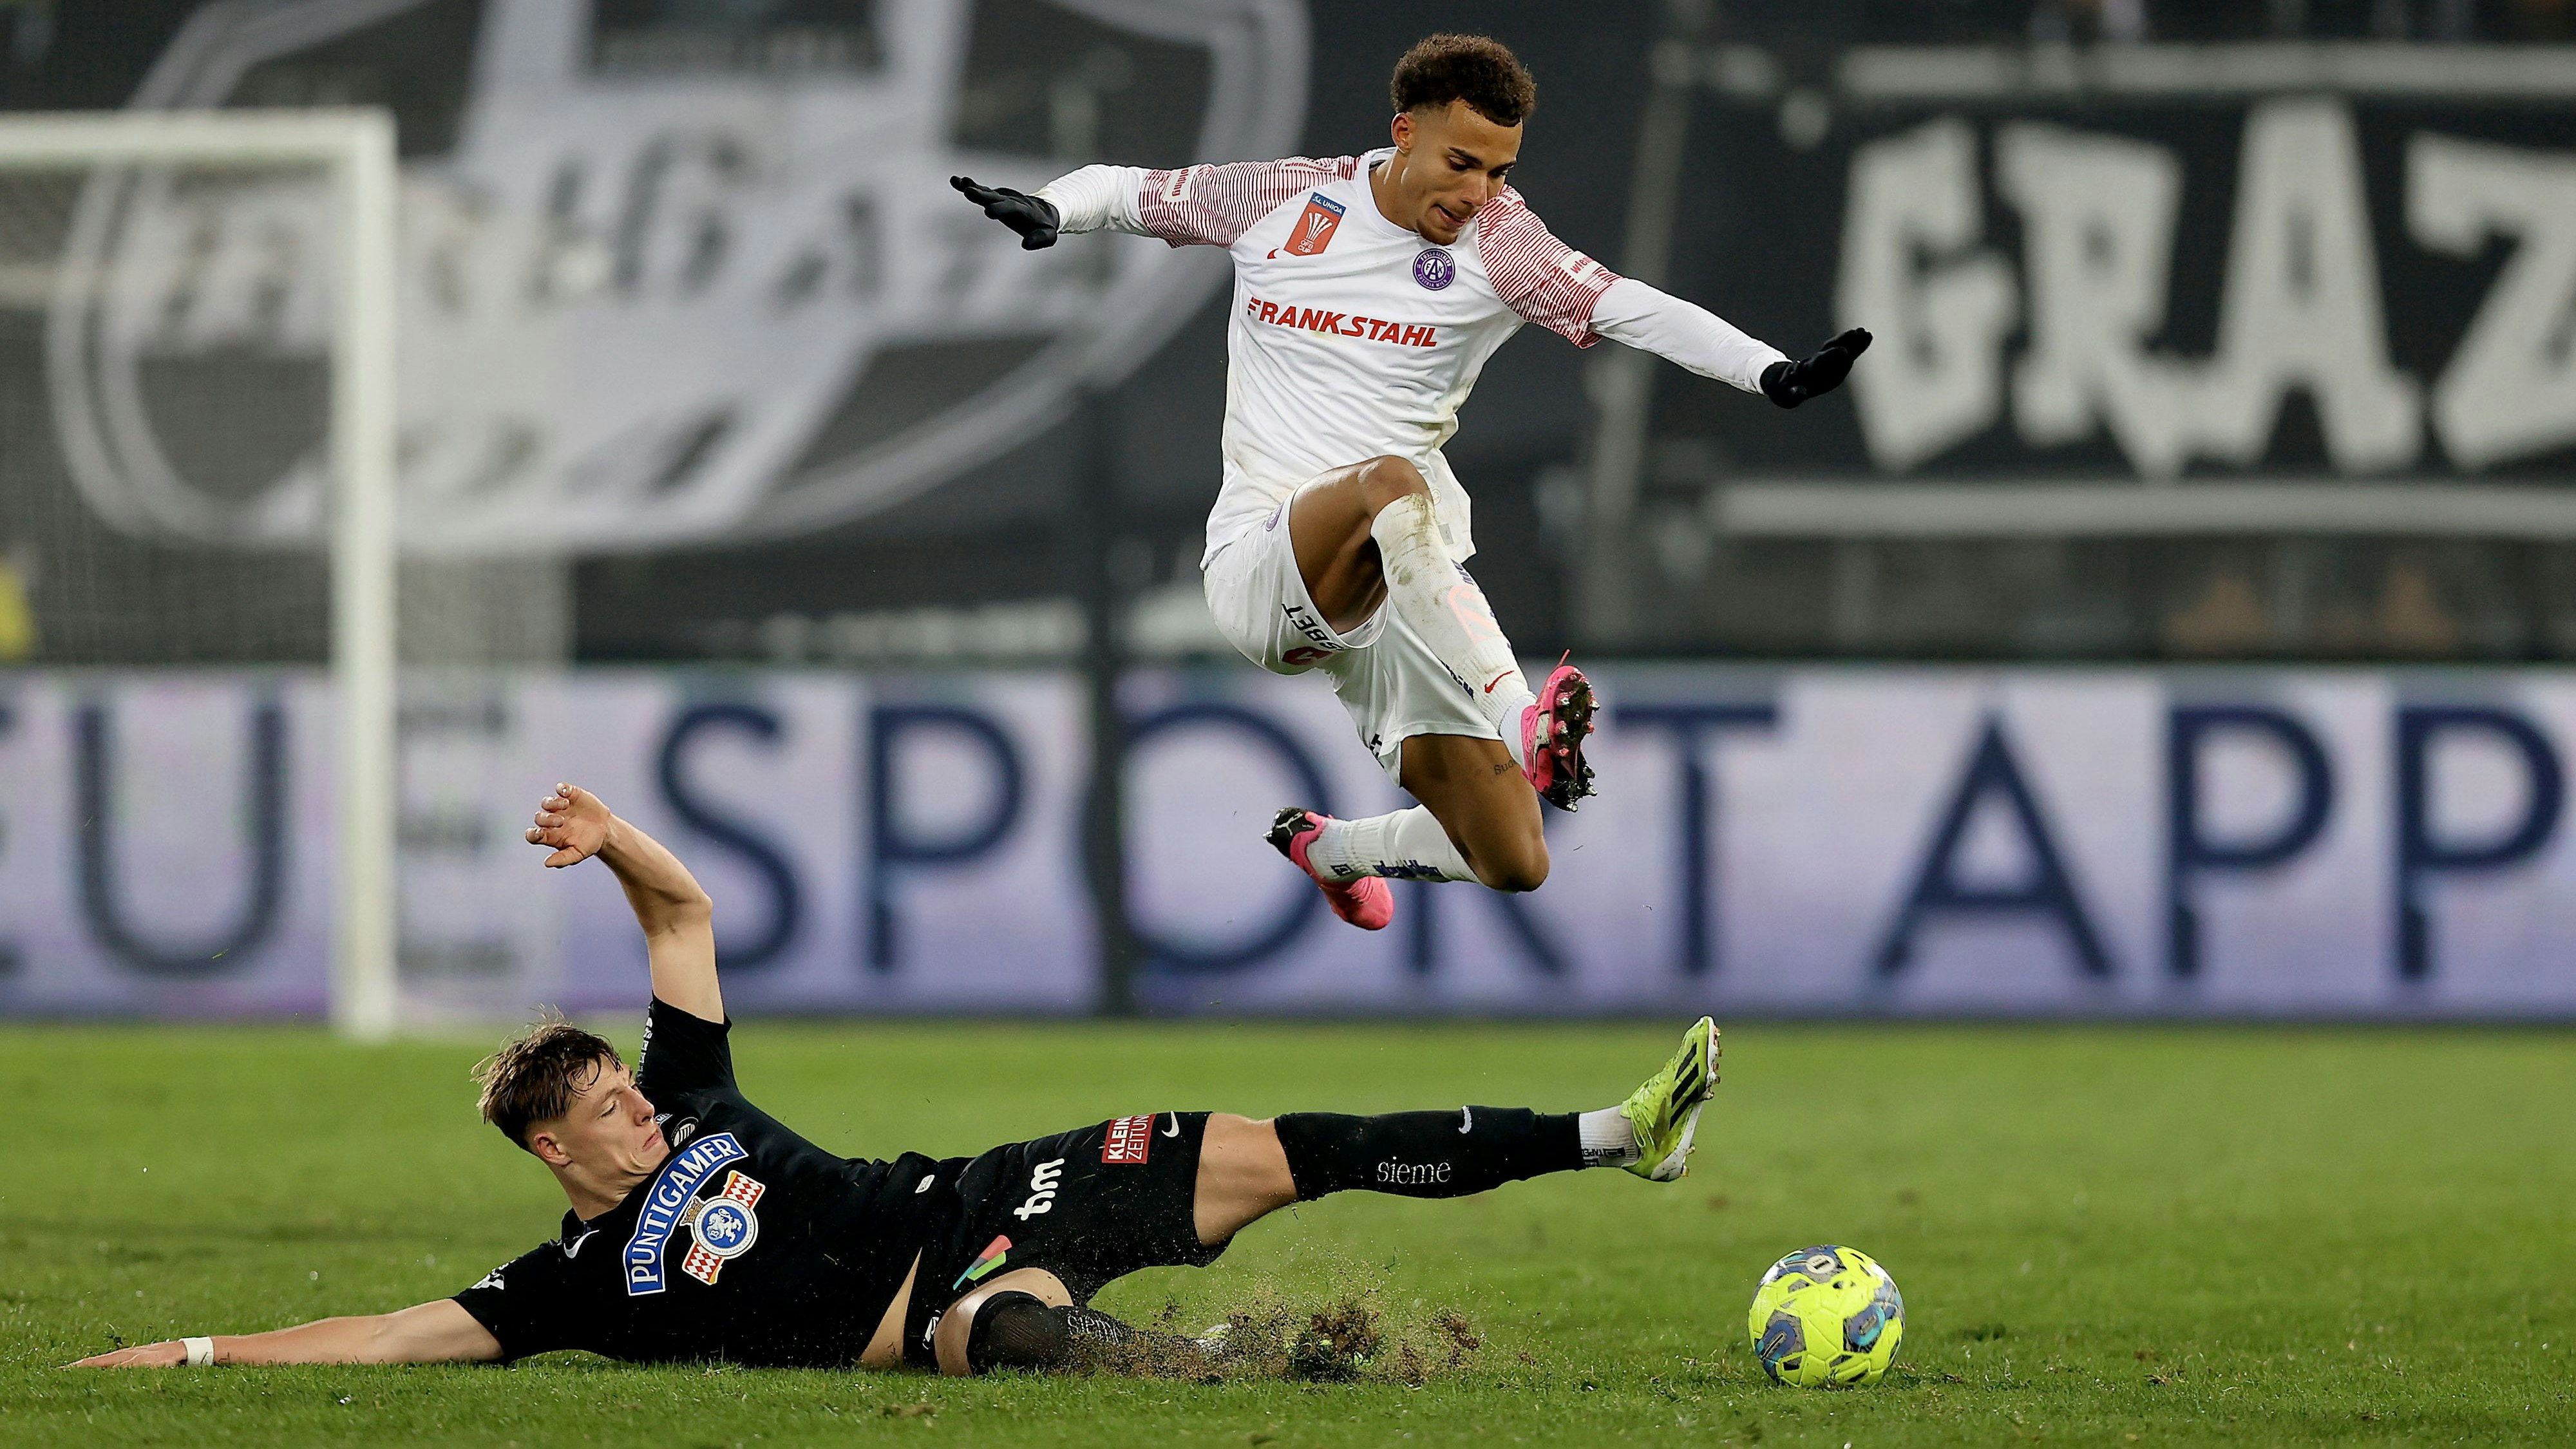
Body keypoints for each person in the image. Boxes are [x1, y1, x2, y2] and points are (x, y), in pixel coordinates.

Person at [73, 784, 1720, 1376]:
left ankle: (1613, 1132)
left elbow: (685, 911)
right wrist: (196, 1347)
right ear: (553, 1148)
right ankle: (1235, 1370)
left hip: (995, 1186)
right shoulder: (566, 1285)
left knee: (1282, 1143)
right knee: (986, 1337)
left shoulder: (695, 1101)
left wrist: (609, 841)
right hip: (943, 1301)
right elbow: (375, 1337)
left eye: (636, 1093)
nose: (643, 1110)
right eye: (612, 1112)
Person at [955, 33, 1865, 933]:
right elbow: (1134, 191)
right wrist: (1052, 206)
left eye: (1499, 172)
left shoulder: (1502, 244)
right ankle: (1524, 721)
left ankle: (1332, 850)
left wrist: (1767, 371)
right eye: (1462, 163)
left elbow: (1625, 305)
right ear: (1403, 132)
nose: (1476, 194)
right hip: (1266, 564)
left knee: (1514, 857)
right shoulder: (1285, 198)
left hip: (1405, 590)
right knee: (1391, 480)